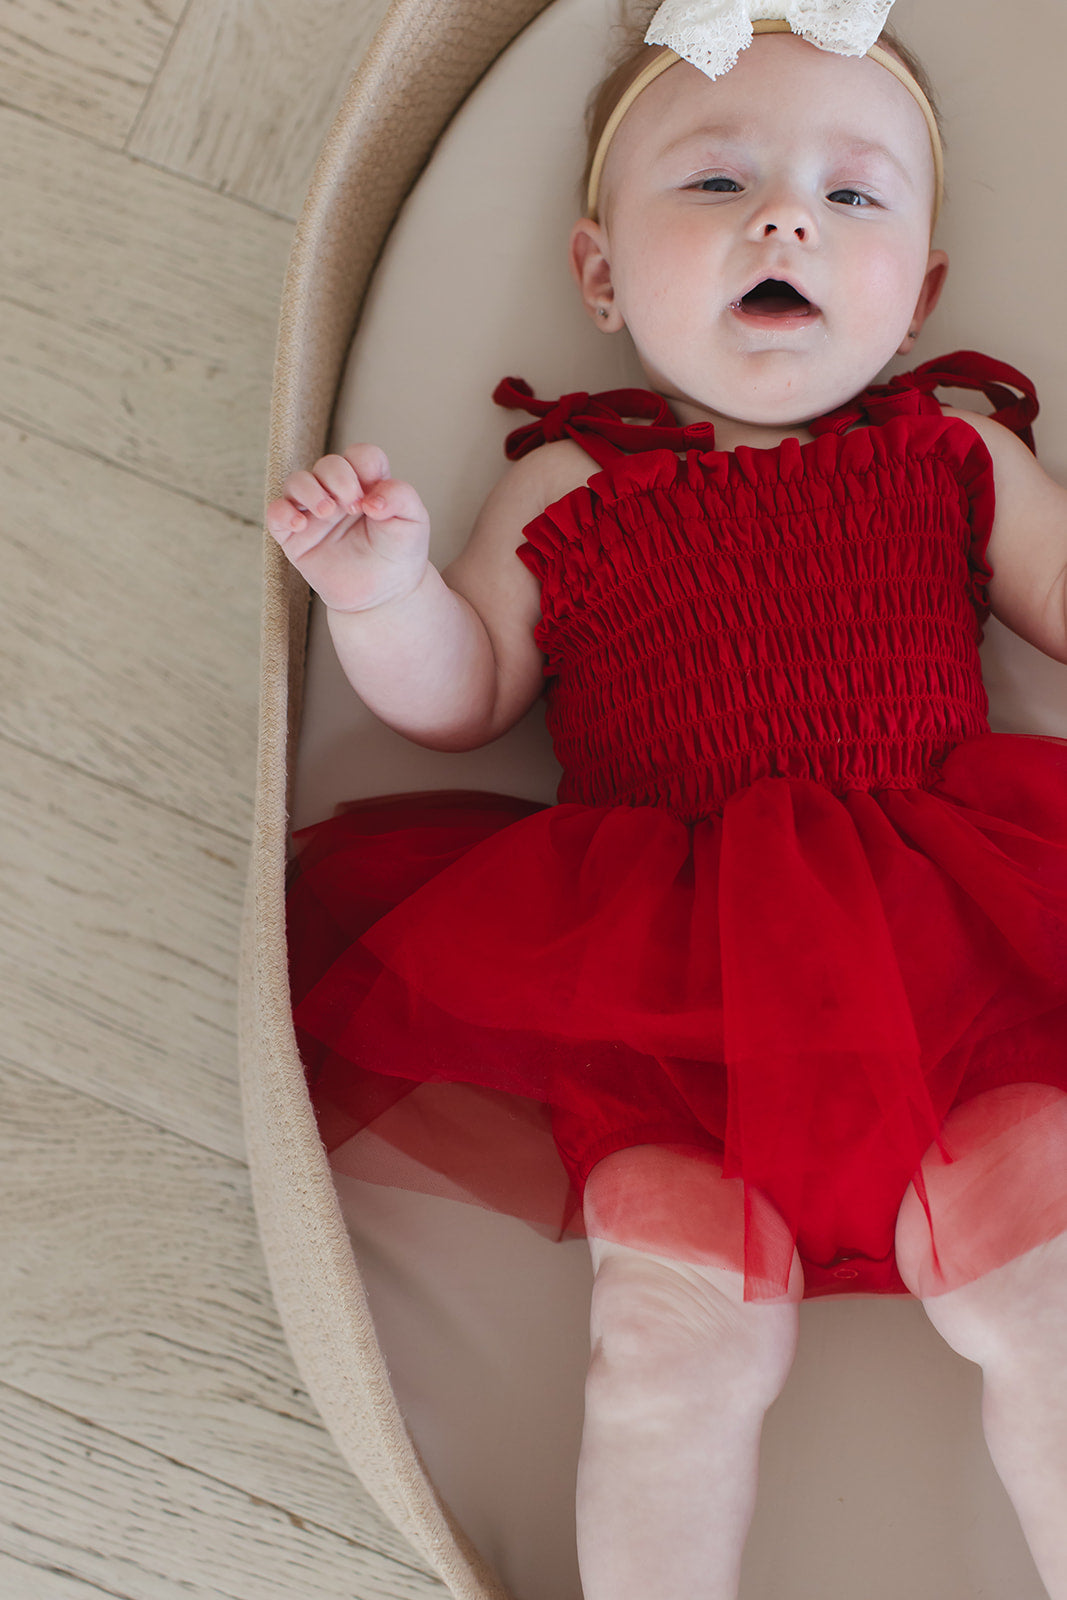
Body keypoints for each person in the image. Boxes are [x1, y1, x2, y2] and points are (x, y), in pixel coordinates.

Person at [268, 5, 1067, 1596]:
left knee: (1046, 1293)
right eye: (717, 184)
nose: (785, 220)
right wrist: (382, 594)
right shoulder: (566, 484)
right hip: (672, 995)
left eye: (851, 195)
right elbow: (463, 697)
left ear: (918, 292)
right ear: (600, 276)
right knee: (666, 1345)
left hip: (956, 964)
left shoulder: (956, 450)